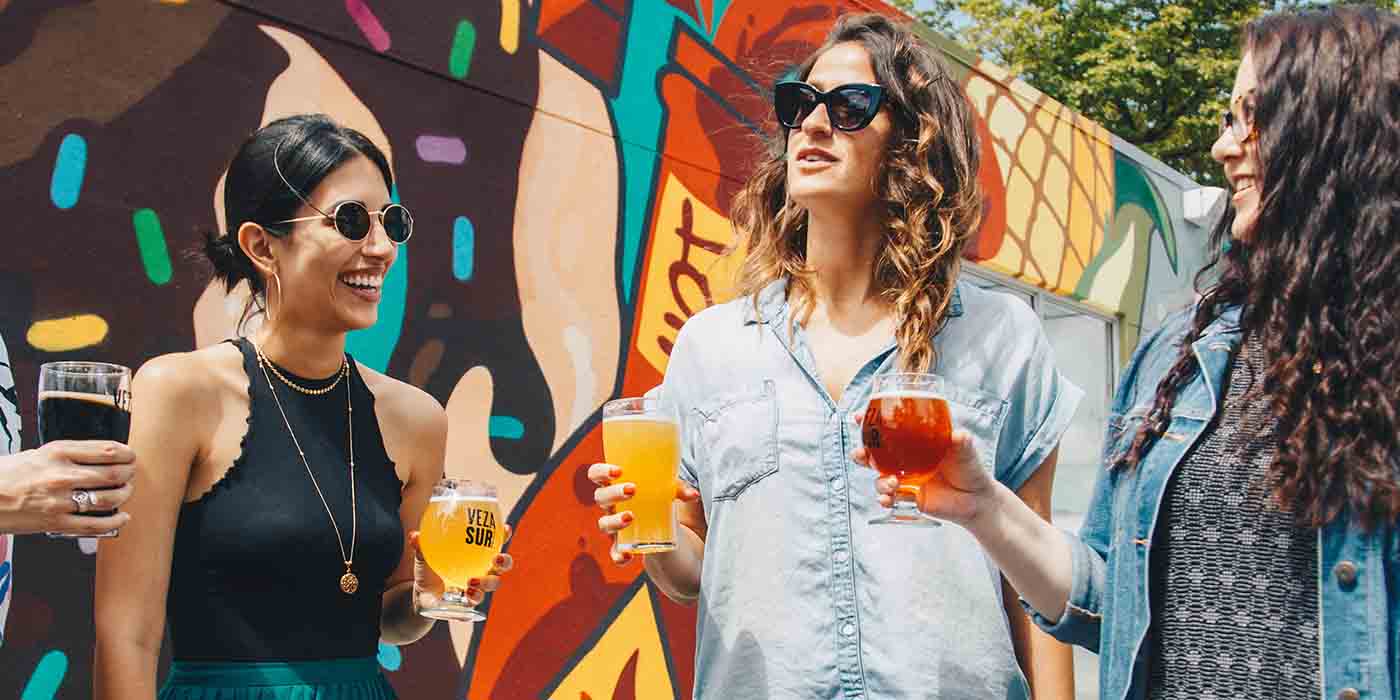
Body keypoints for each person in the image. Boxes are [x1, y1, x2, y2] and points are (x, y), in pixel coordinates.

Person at [863, 6, 1400, 700]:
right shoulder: (1179, 355)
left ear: (1333, 130)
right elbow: (1105, 600)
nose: (1223, 146)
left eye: (1249, 116)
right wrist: (985, 510)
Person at [592, 13, 1081, 699]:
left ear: (913, 142)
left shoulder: (1000, 335)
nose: (814, 124)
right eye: (801, 104)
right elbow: (693, 573)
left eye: (850, 106)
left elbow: (1035, 581)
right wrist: (647, 533)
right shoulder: (713, 348)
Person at [93, 114, 512, 698]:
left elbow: (389, 619)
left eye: (391, 222)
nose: (382, 248)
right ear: (261, 244)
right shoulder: (176, 392)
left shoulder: (417, 418)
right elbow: (126, 633)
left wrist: (430, 590)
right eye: (350, 221)